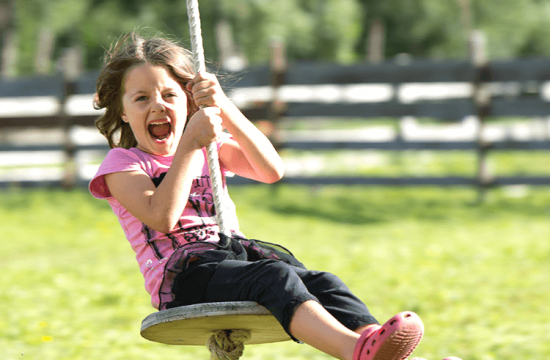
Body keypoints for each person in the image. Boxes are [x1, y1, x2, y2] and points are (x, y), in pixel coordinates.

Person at [89, 32, 424, 360]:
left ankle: (373, 343)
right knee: (272, 277)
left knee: (321, 281)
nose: (158, 105)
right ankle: (354, 352)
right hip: (186, 280)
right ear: (122, 111)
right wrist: (190, 144)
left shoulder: (209, 147)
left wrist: (223, 106)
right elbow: (162, 217)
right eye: (141, 98)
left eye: (169, 95)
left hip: (231, 260)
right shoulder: (122, 164)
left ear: (187, 101)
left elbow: (270, 170)